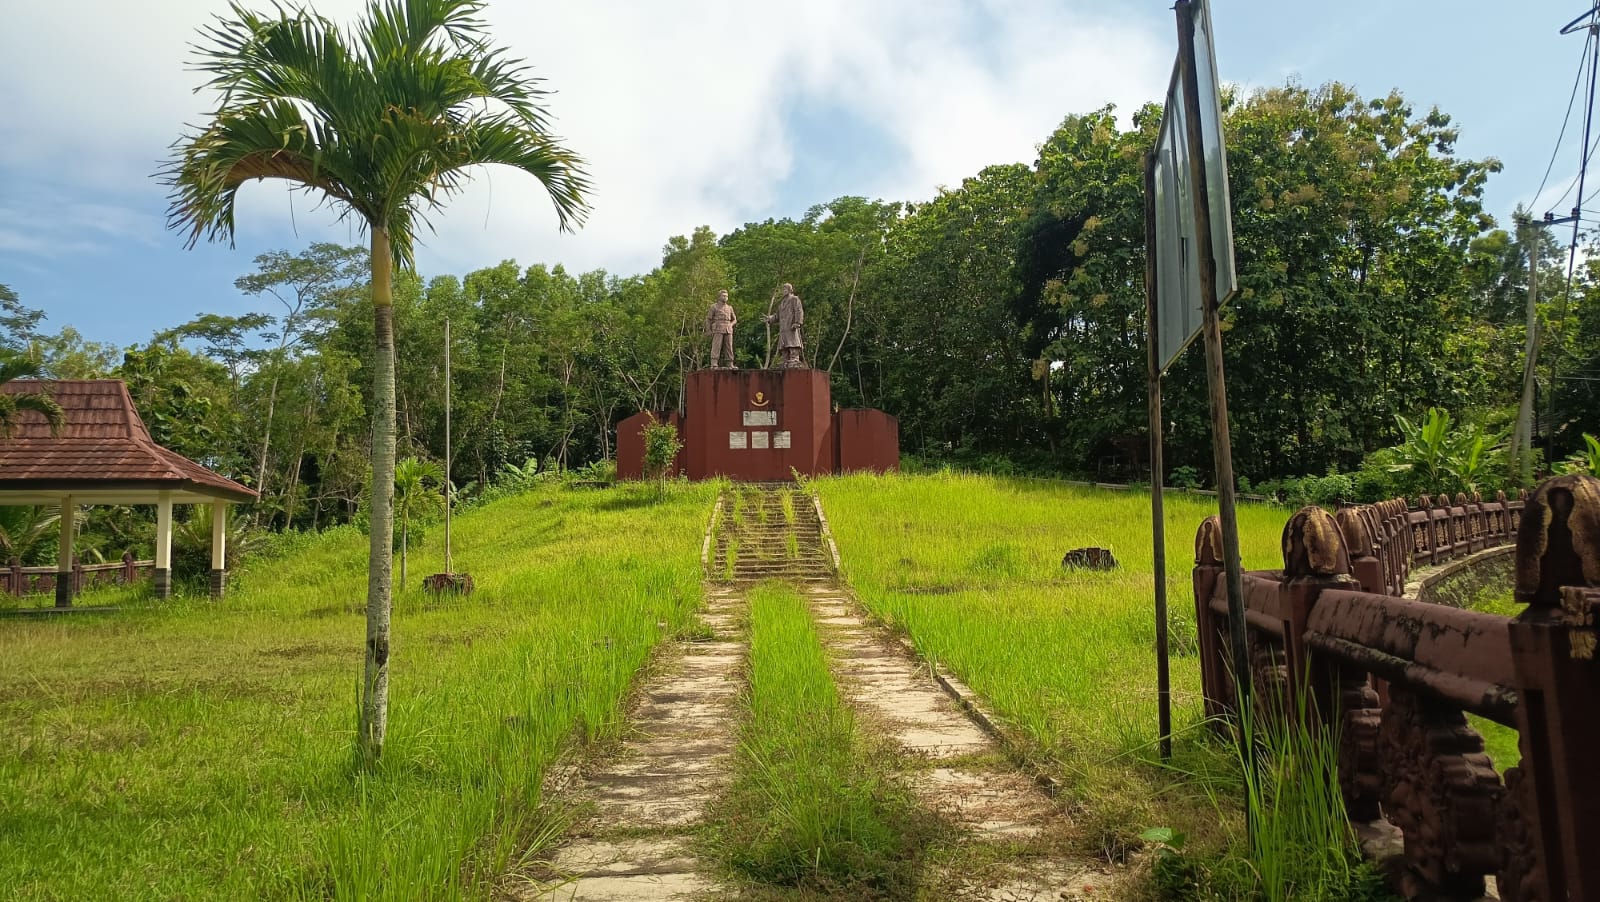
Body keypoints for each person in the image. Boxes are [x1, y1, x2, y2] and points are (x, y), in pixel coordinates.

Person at [765, 282, 805, 368]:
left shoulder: (794, 299)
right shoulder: (782, 303)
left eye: (785, 289)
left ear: (790, 290)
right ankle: (785, 359)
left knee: (793, 342)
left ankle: (794, 358)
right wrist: (769, 319)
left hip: (791, 326)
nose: (783, 291)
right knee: (784, 344)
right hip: (783, 327)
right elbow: (777, 316)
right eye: (783, 289)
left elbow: (799, 310)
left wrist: (797, 322)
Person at [705, 289, 737, 368]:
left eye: (727, 296)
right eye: (724, 296)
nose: (725, 297)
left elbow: (735, 319)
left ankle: (730, 363)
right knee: (716, 346)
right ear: (719, 297)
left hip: (728, 329)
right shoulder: (714, 307)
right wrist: (708, 330)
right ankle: (714, 363)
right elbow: (708, 319)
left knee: (729, 346)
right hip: (718, 328)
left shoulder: (730, 308)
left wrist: (731, 325)